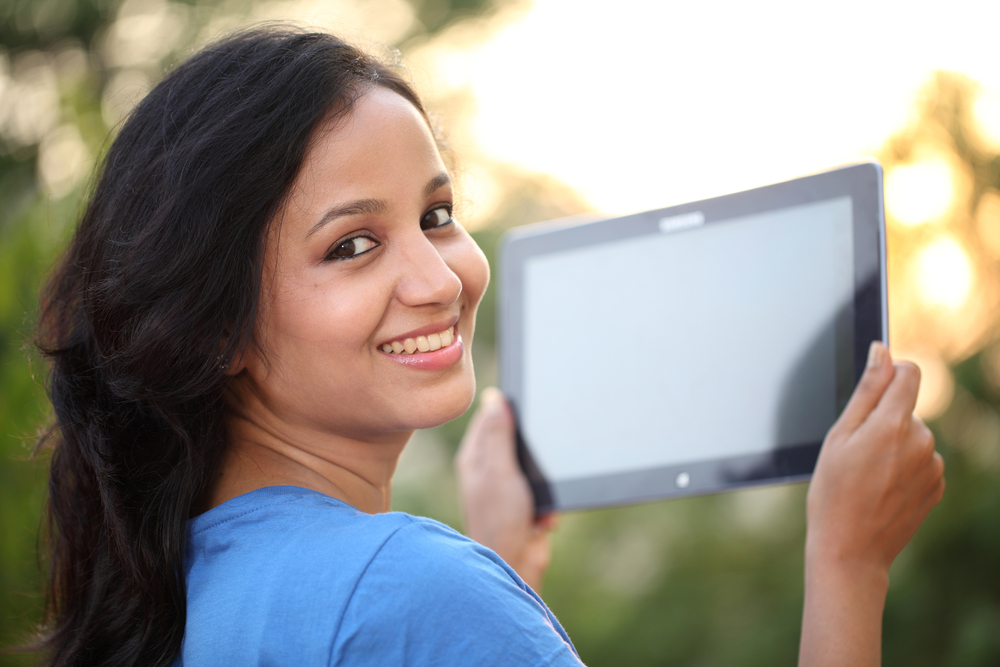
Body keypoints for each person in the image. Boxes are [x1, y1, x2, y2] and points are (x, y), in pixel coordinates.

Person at [31, 26, 944, 667]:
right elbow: (397, 612)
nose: (439, 278)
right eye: (353, 244)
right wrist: (848, 565)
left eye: (437, 215)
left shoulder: (190, 584)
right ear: (211, 326)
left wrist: (499, 560)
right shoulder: (411, 594)